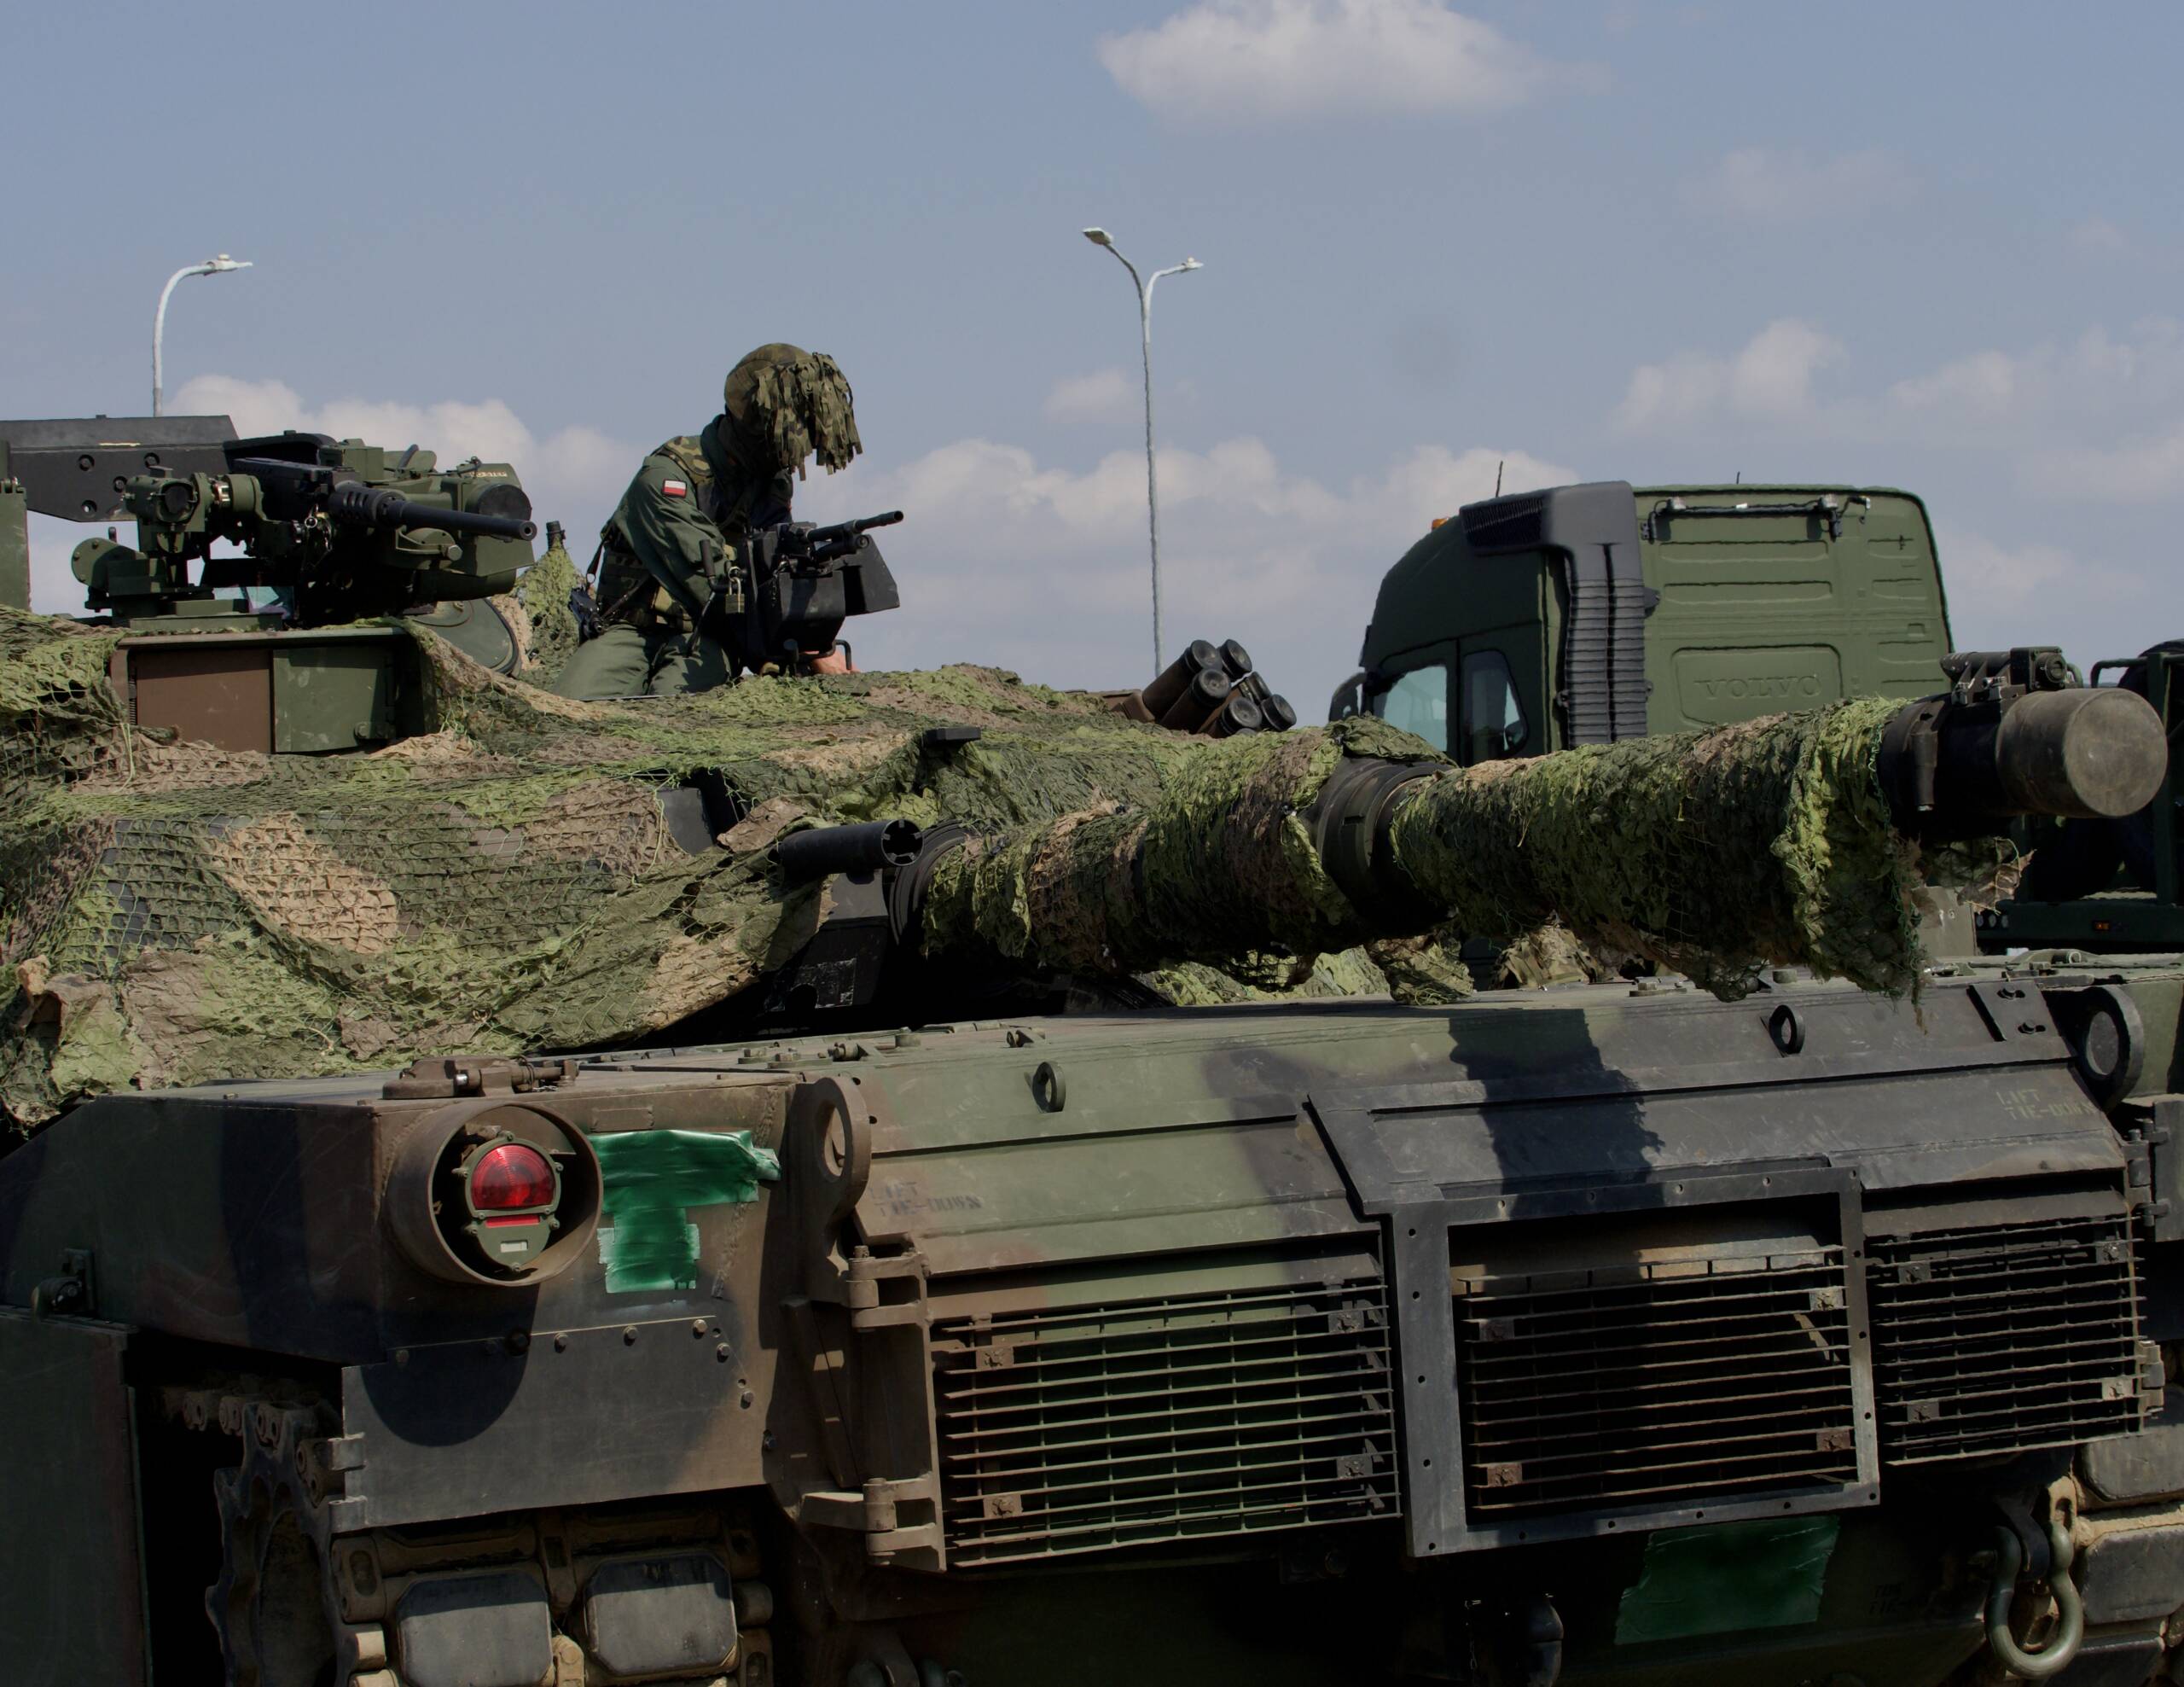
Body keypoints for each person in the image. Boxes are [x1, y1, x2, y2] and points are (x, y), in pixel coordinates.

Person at [553, 343, 863, 700]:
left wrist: (812, 640)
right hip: (631, 630)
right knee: (569, 707)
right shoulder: (667, 476)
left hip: (709, 638)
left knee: (678, 706)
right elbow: (712, 577)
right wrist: (809, 648)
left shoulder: (770, 486)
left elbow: (775, 575)